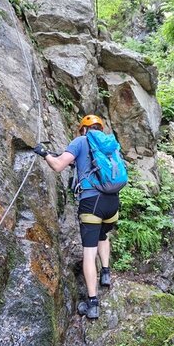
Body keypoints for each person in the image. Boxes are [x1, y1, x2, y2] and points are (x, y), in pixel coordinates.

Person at [33, 115, 119, 320]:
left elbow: (57, 166)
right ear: (100, 128)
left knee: (88, 253)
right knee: (103, 236)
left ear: (83, 129)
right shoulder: (110, 146)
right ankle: (105, 273)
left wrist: (44, 154)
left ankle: (93, 304)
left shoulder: (81, 141)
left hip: (91, 203)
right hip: (112, 203)